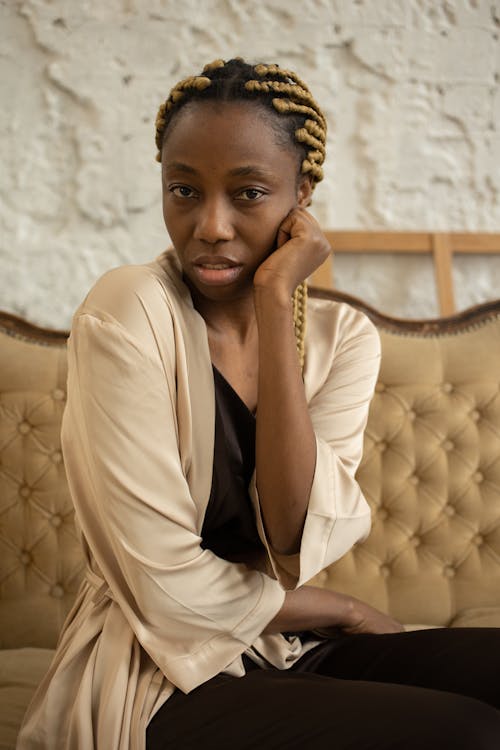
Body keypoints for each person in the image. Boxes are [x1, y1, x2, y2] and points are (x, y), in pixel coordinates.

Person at [18, 58, 500, 750]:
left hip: (284, 649)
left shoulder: (343, 339)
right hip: (161, 673)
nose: (210, 225)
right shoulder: (127, 313)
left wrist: (277, 305)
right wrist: (343, 610)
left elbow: (290, 535)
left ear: (300, 197)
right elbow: (165, 592)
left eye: (247, 193)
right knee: (471, 734)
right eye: (184, 190)